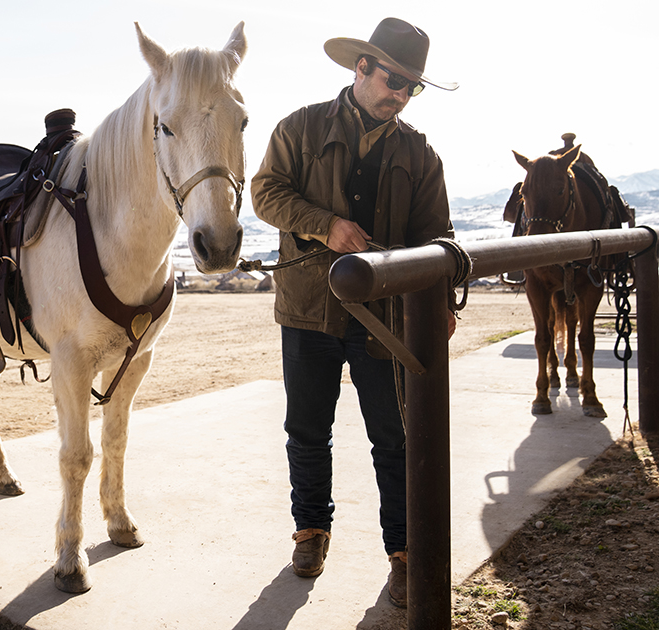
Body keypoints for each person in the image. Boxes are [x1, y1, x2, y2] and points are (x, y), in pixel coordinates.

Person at [250, 17, 457, 608]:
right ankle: (311, 531)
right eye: (395, 78)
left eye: (412, 87)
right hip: (307, 309)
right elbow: (265, 193)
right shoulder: (300, 126)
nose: (401, 94)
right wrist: (325, 225)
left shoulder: (420, 153)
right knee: (307, 432)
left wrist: (438, 299)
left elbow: (436, 235)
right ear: (361, 66)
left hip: (385, 320)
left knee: (394, 438)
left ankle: (405, 554)